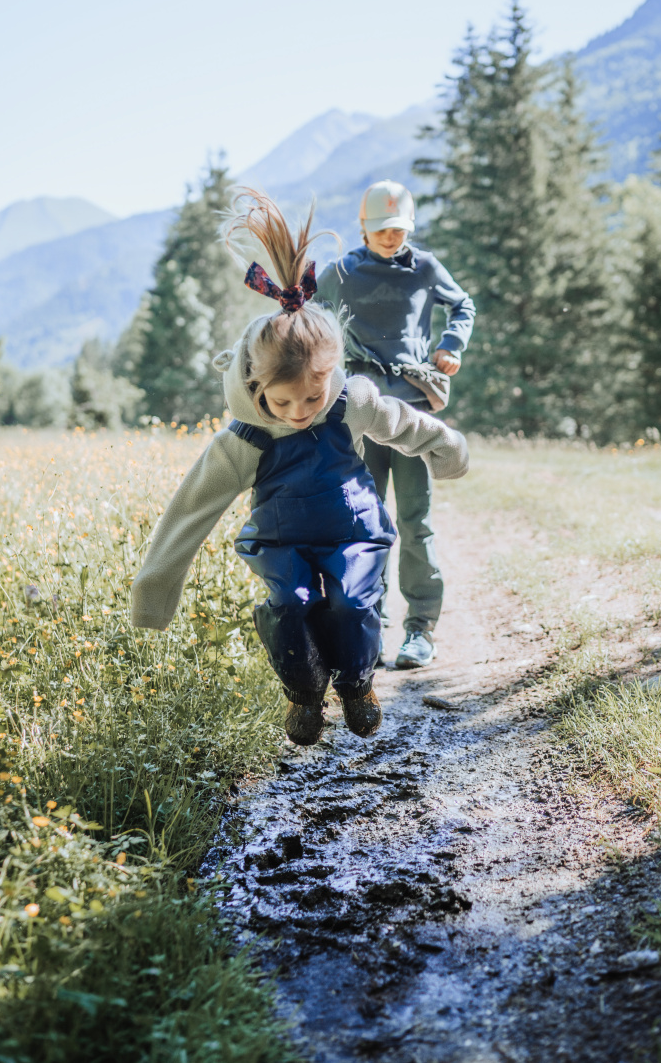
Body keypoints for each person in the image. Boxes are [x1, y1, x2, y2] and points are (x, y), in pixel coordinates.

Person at [130, 189, 469, 746]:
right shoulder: (246, 436)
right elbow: (192, 508)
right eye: (280, 404)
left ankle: (358, 685)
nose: (296, 415)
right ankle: (306, 695)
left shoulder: (350, 401)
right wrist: (154, 587)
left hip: (352, 530)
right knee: (288, 606)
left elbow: (407, 423)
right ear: (254, 387)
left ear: (329, 375)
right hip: (282, 540)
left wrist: (447, 448)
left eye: (309, 401)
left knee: (352, 603)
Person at [316, 179, 475, 669]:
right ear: (364, 226)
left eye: (399, 228)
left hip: (414, 418)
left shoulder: (424, 267)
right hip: (359, 415)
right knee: (365, 524)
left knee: (415, 522)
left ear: (410, 226)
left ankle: (420, 630)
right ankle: (372, 627)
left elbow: (463, 305)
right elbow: (309, 322)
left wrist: (451, 345)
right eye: (382, 228)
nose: (390, 236)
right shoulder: (339, 273)